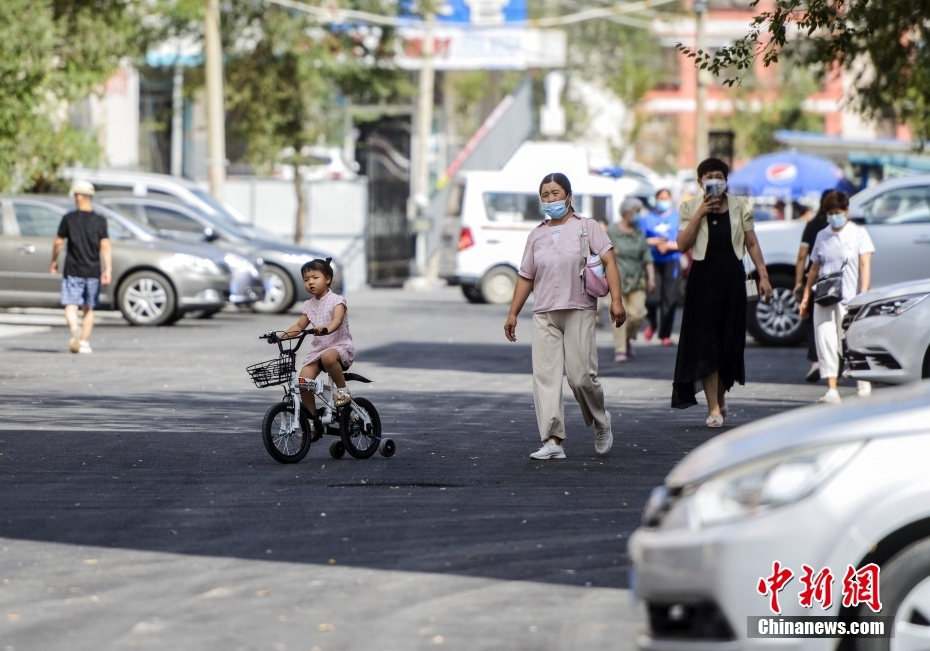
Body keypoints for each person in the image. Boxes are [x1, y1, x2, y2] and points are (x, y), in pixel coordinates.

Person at [504, 173, 626, 460]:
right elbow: (525, 276)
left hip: (579, 309)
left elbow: (609, 262)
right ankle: (552, 440)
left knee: (581, 377)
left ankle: (601, 420)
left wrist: (616, 301)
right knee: (545, 378)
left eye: (555, 193)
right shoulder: (536, 235)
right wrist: (513, 313)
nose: (550, 199)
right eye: (545, 195)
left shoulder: (587, 227)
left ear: (569, 196)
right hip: (544, 312)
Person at [672, 158, 773, 426]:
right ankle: (714, 409)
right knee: (706, 345)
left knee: (729, 343)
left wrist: (764, 276)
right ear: (699, 182)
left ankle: (720, 396)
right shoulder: (690, 207)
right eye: (708, 176)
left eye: (718, 176)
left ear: (726, 180)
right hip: (702, 282)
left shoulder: (741, 206)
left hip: (731, 281)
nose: (713, 180)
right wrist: (701, 212)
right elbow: (682, 244)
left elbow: (751, 242)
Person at [799, 191, 874, 404]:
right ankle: (832, 389)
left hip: (851, 298)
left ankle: (863, 382)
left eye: (838, 212)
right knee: (825, 340)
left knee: (853, 340)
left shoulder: (859, 234)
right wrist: (806, 297)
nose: (834, 217)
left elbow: (865, 265)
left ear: (847, 211)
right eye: (830, 213)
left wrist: (864, 294)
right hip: (824, 297)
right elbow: (814, 269)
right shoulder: (822, 235)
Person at [272, 258, 355, 409]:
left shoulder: (337, 301)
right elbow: (299, 326)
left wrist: (326, 329)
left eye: (315, 278)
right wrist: (279, 336)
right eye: (306, 279)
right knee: (303, 381)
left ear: (328, 279)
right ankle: (311, 422)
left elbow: (337, 319)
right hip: (318, 350)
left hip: (339, 346)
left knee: (328, 357)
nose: (310, 282)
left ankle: (343, 390)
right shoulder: (308, 305)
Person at [51, 181, 112, 354]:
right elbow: (105, 245)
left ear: (78, 196)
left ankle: (74, 328)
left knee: (71, 305)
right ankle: (84, 342)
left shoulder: (69, 219)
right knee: (88, 308)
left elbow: (58, 242)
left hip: (73, 270)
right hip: (93, 271)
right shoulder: (100, 220)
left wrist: (54, 260)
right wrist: (108, 269)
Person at [607, 197, 656, 362]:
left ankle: (627, 338)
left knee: (638, 314)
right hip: (616, 280)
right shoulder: (612, 231)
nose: (638, 215)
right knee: (618, 315)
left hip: (637, 280)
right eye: (636, 211)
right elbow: (602, 253)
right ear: (627, 213)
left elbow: (647, 257)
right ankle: (620, 349)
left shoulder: (639, 233)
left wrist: (652, 278)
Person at [793, 190, 832, 382]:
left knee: (811, 320)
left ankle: (816, 361)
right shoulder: (847, 228)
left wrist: (799, 283)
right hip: (839, 280)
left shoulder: (813, 225)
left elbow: (802, 256)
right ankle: (835, 361)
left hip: (815, 279)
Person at [640, 189, 681, 346]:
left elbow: (686, 239)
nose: (663, 201)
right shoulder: (647, 218)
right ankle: (652, 324)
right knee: (652, 298)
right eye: (660, 198)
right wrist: (655, 242)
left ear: (671, 199)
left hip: (672, 260)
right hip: (652, 262)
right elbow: (641, 240)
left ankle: (665, 334)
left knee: (669, 299)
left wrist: (670, 246)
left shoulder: (677, 217)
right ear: (655, 199)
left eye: (666, 198)